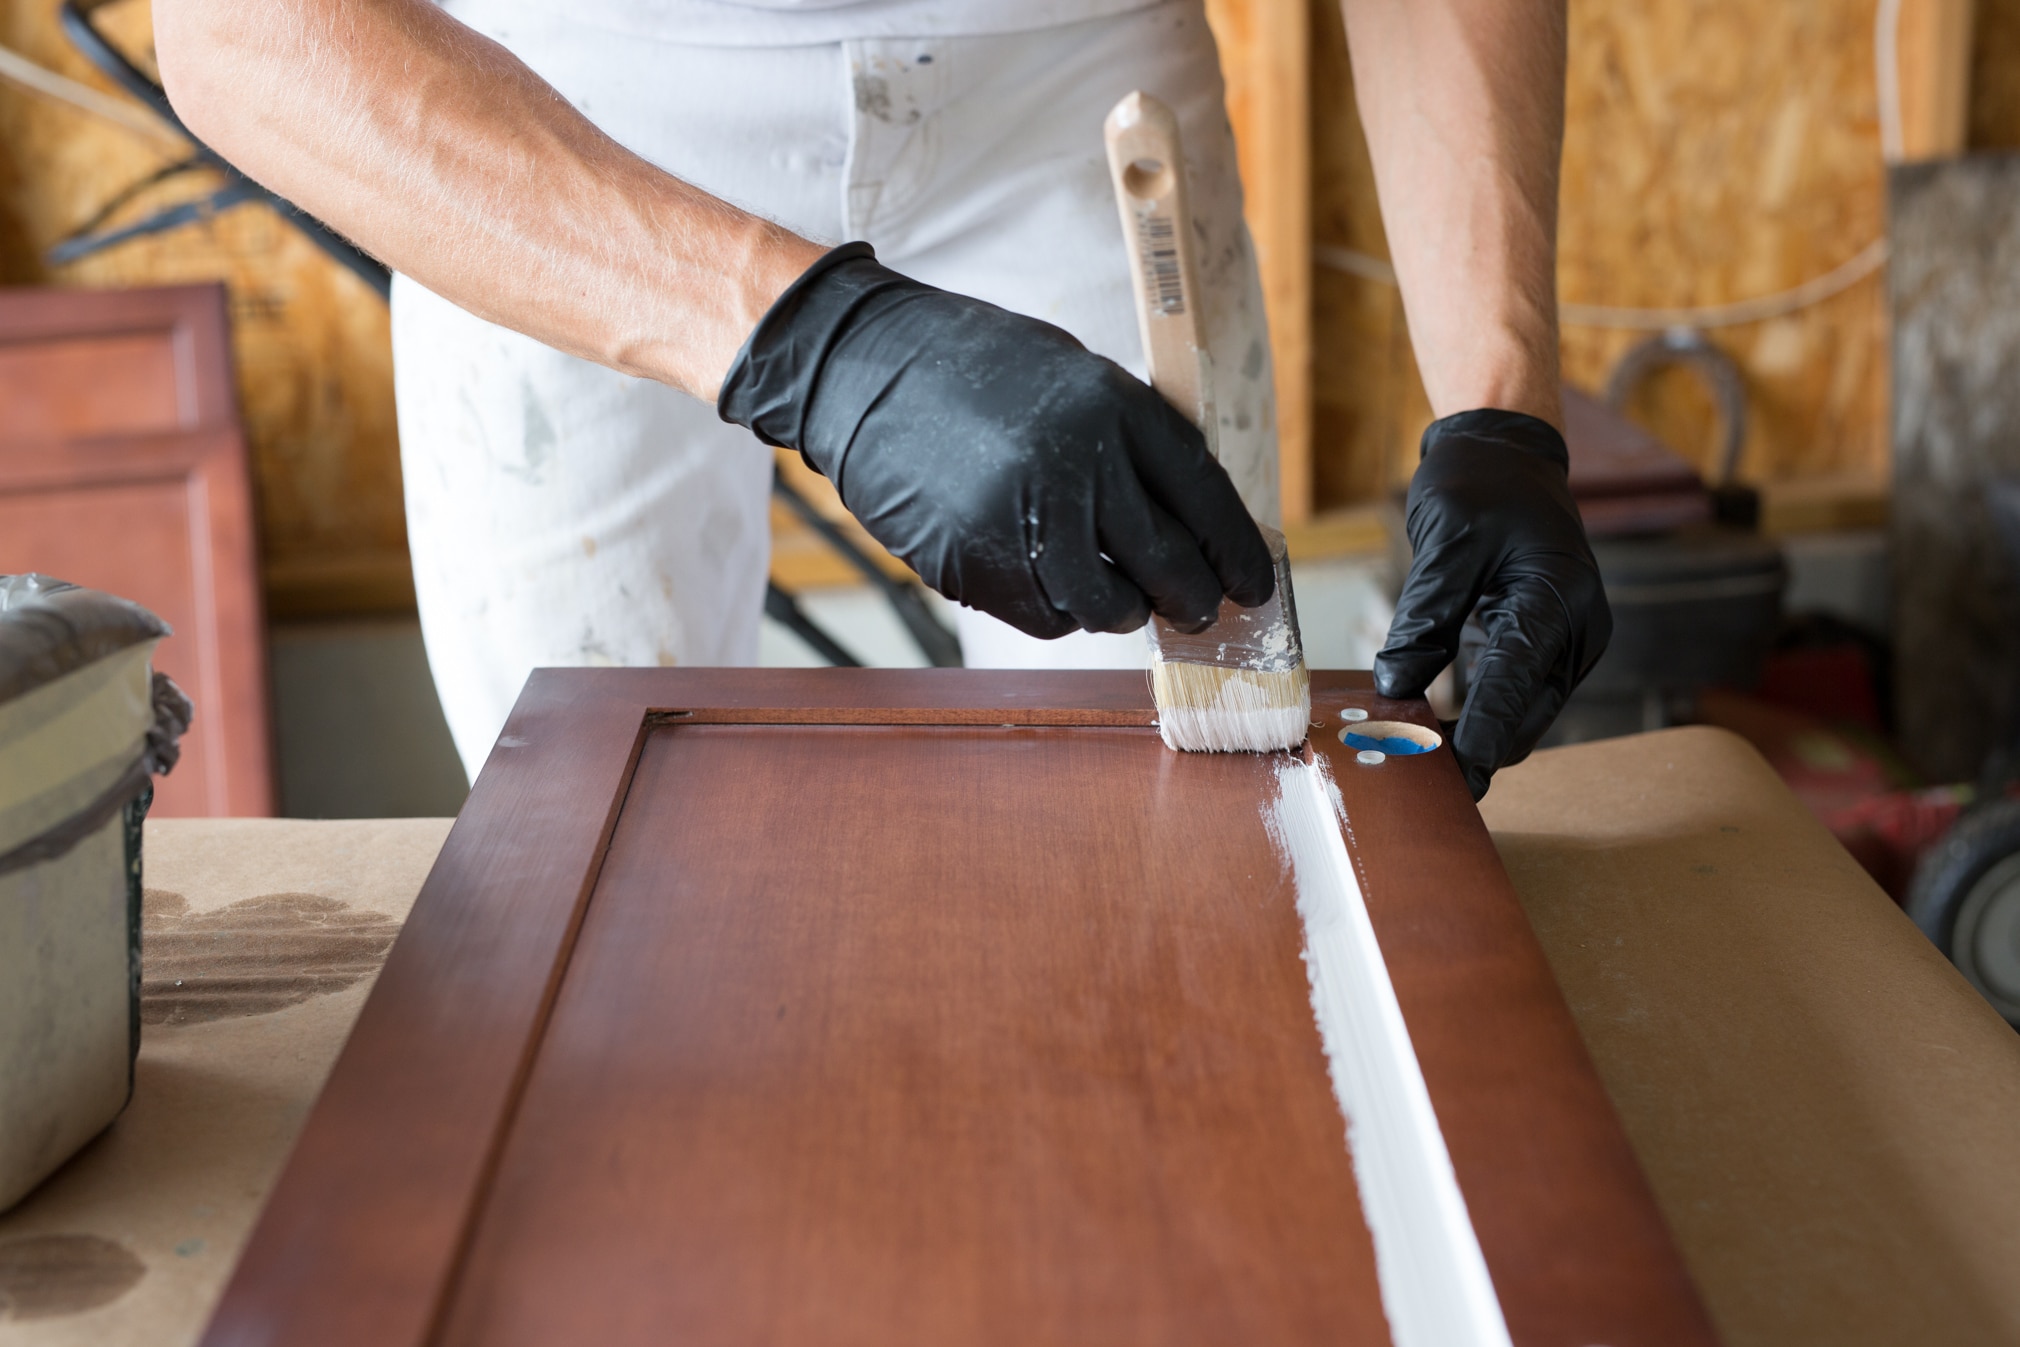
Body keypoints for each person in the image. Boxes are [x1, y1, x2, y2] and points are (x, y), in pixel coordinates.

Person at [154, 0, 1608, 799]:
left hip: (1077, 93)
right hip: (541, 119)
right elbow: (235, 31)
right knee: (577, 811)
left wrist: (1499, 410)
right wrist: (816, 345)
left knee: (1188, 795)